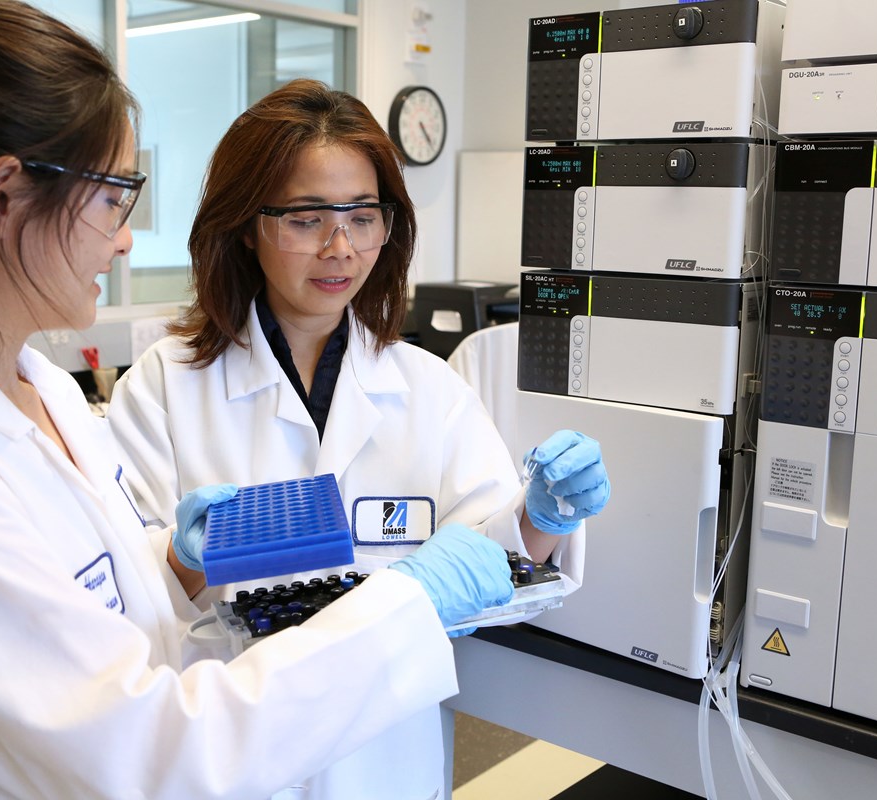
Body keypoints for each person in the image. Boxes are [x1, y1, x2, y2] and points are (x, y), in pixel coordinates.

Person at [0, 4, 520, 798]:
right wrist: (408, 603)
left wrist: (170, 563)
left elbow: (104, 625)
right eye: (113, 198)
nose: (126, 237)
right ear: (1, 197)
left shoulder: (41, 391)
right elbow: (157, 754)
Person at [106, 79, 612, 799]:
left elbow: (492, 563)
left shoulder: (427, 389)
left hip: (385, 758)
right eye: (308, 218)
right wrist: (185, 561)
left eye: (363, 216)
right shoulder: (164, 387)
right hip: (234, 757)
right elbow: (119, 606)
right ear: (248, 224)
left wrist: (544, 517)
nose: (341, 247)